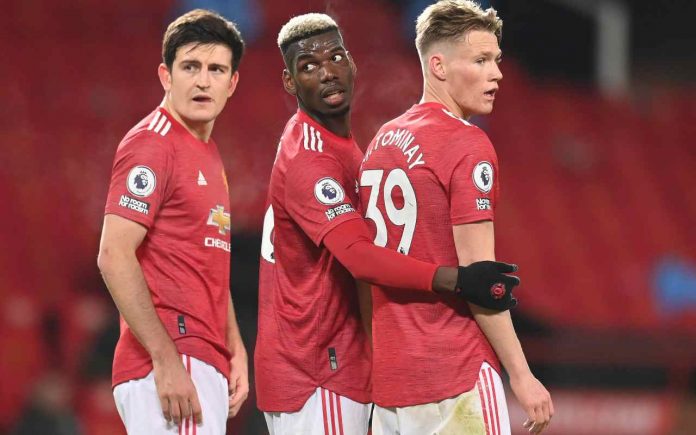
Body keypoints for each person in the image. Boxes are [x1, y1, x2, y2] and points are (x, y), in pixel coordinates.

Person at [255, 13, 521, 435]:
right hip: (319, 369)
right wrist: (458, 280)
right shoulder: (310, 157)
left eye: (336, 57)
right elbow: (361, 258)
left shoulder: (366, 143)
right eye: (309, 66)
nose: (328, 73)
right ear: (289, 82)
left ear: (352, 62)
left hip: (359, 367)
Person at [358, 1, 554, 434]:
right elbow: (480, 279)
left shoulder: (382, 139)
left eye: (496, 60)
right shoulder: (467, 144)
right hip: (456, 374)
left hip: (392, 383)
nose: (496, 74)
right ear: (439, 66)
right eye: (480, 60)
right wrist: (522, 375)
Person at [97, 9, 248, 434]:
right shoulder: (153, 144)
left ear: (232, 83)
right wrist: (164, 359)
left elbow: (206, 261)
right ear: (166, 75)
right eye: (190, 67)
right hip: (173, 357)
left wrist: (233, 346)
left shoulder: (206, 151)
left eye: (216, 69)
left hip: (200, 354)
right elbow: (113, 254)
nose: (203, 81)